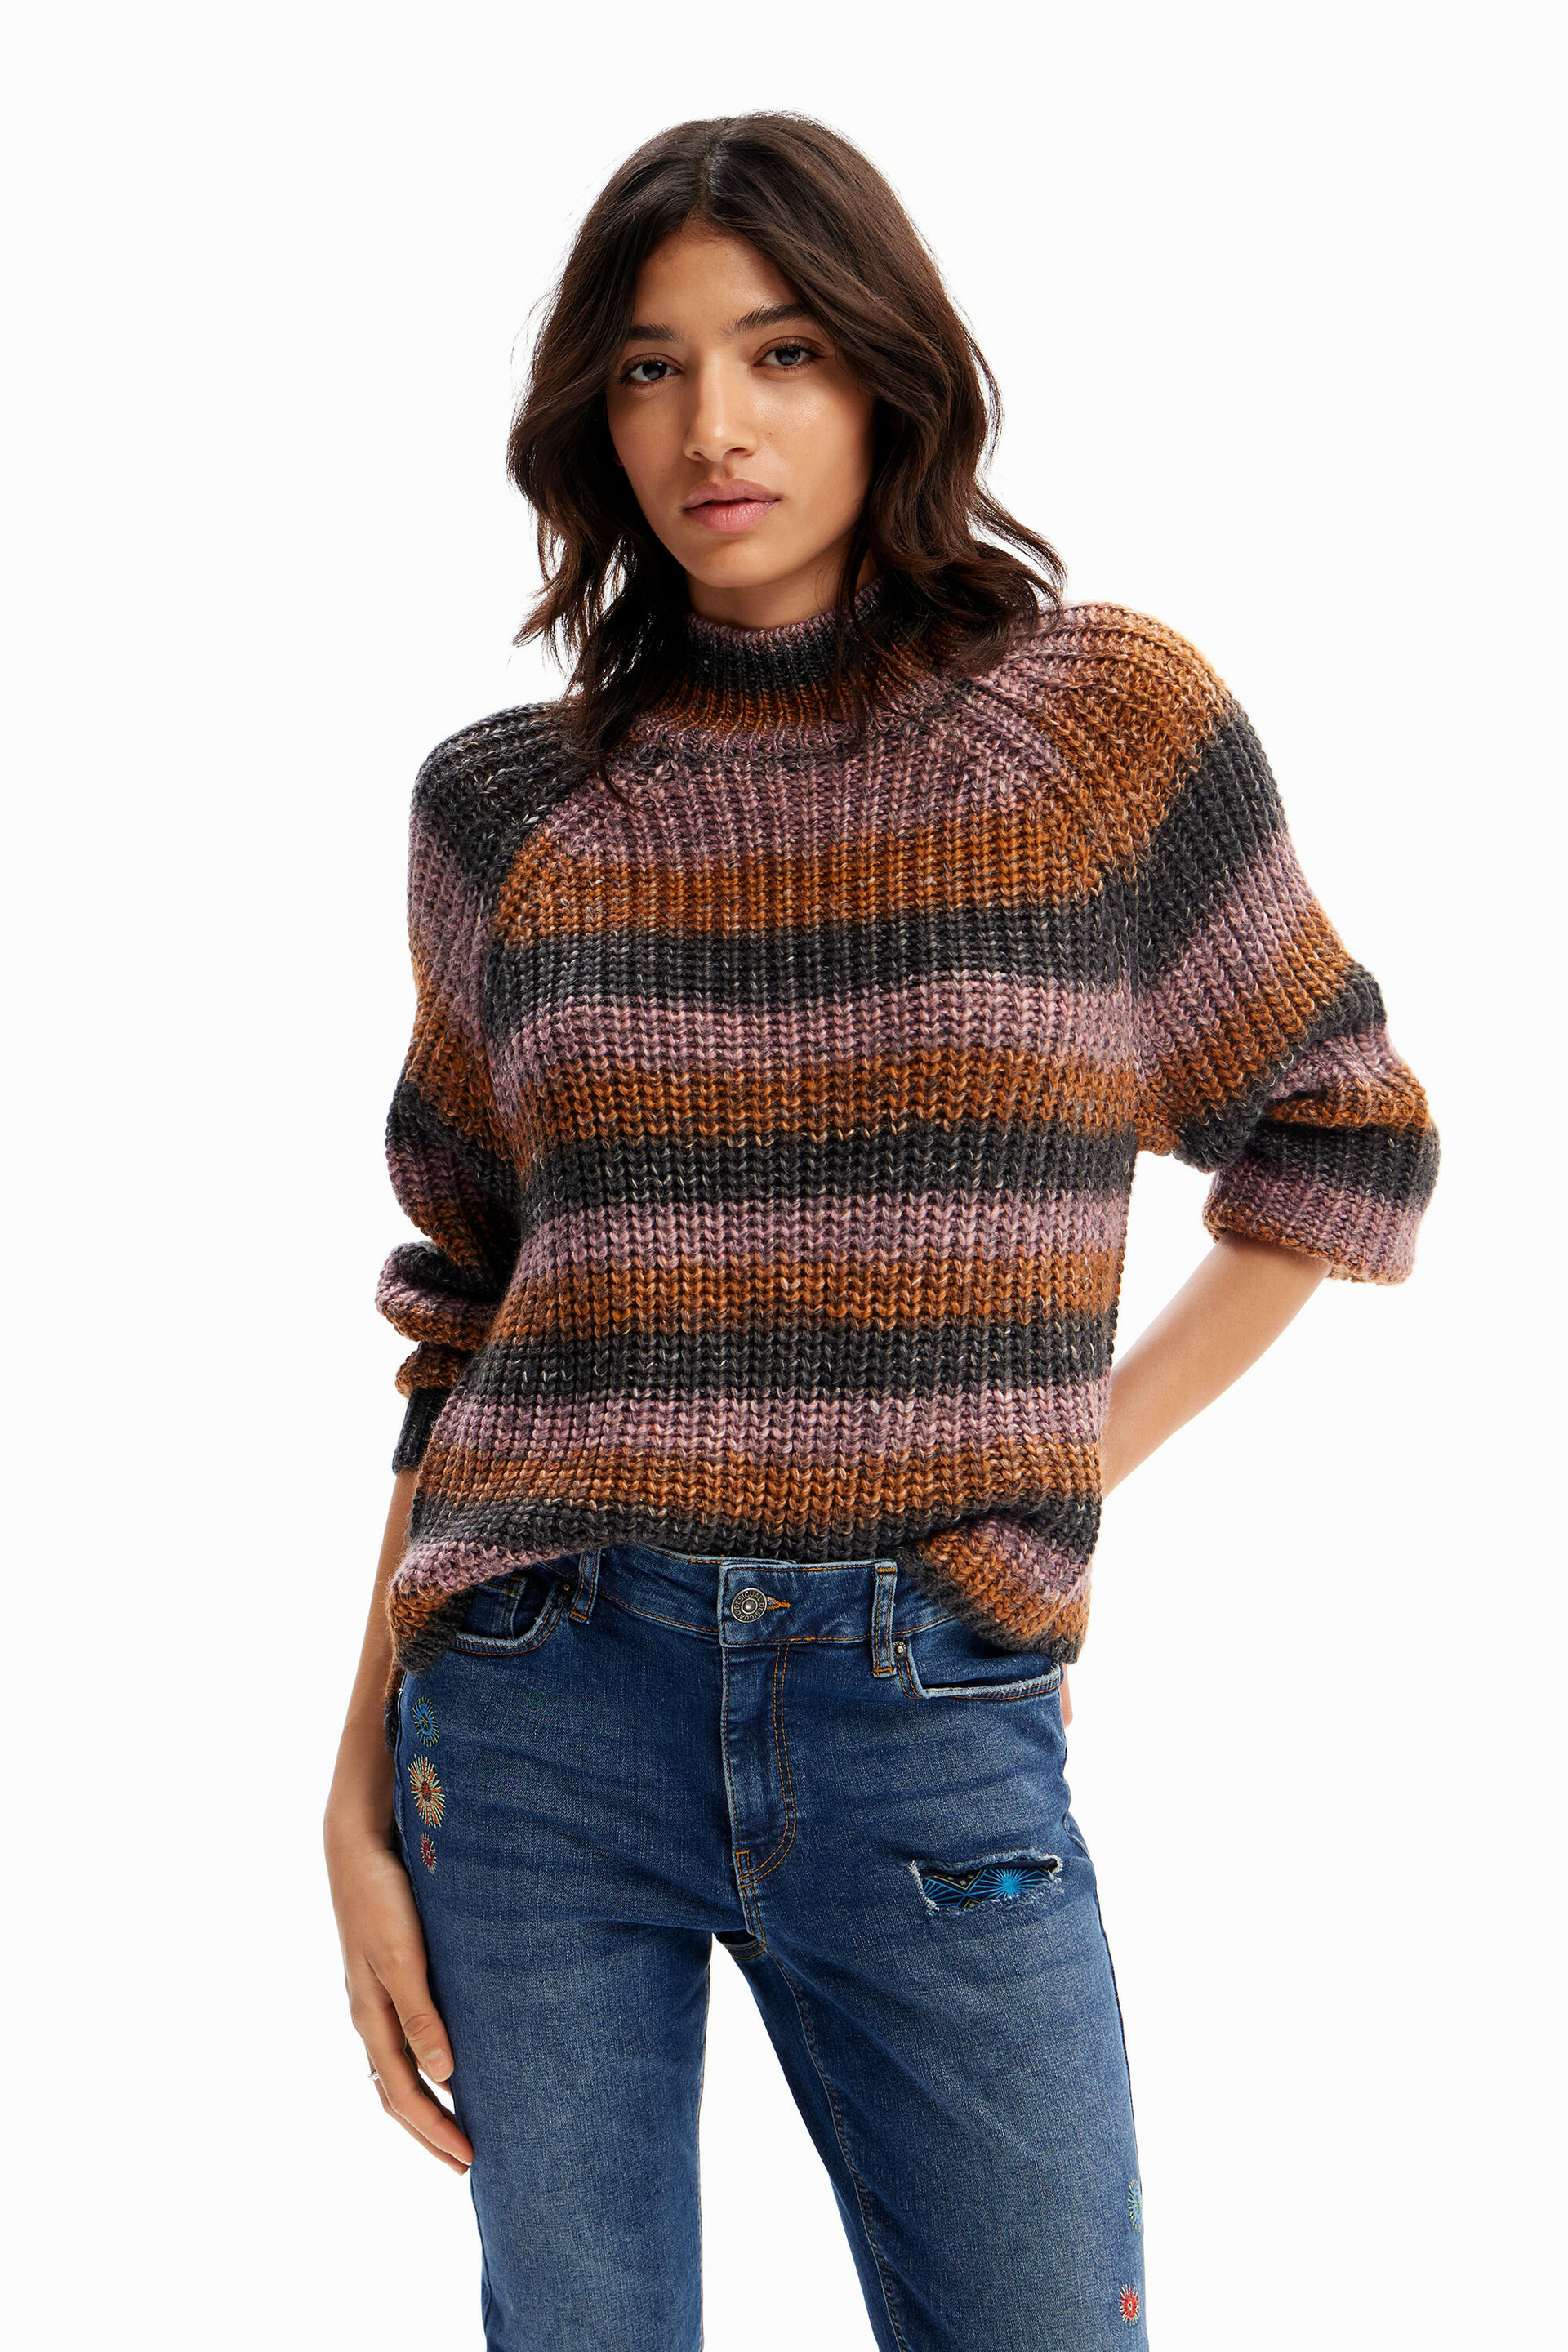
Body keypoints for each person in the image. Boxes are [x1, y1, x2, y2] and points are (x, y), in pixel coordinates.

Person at [323, 112, 1439, 2352]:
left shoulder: (1097, 734)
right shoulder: (508, 813)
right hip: (539, 1700)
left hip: (927, 1702)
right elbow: (468, 1310)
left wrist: (1061, 1461)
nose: (712, 429)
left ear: (888, 373)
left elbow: (1340, 1140)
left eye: (781, 352)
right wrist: (355, 1781)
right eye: (649, 369)